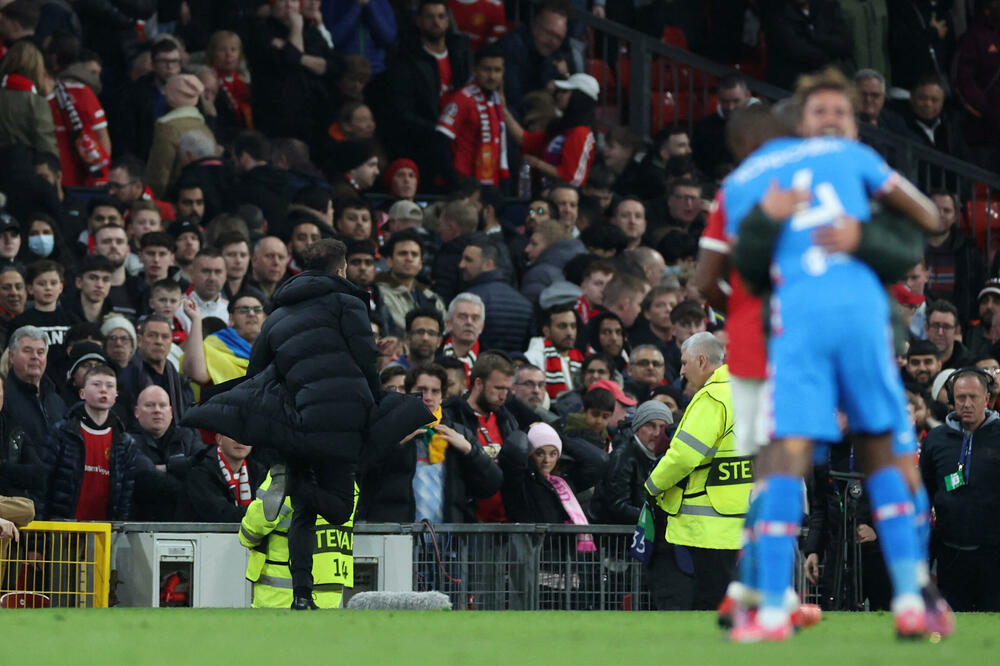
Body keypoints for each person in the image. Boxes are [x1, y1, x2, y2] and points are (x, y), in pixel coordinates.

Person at [722, 70, 944, 641]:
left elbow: (913, 241)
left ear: (853, 121)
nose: (830, 122)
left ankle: (776, 603)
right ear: (798, 121)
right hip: (824, 326)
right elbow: (929, 216)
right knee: (842, 458)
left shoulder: (780, 173)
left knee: (813, 457)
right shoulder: (834, 164)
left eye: (838, 113)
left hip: (832, 327)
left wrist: (857, 238)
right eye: (819, 112)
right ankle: (899, 596)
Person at [644, 333, 749, 610]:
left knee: (709, 601)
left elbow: (683, 456)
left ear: (701, 361)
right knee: (726, 597)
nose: (680, 371)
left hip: (709, 523)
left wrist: (652, 486)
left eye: (684, 362)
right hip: (738, 516)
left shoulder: (712, 398)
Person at [357, 363, 501, 523]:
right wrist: (394, 446)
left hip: (447, 542)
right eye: (422, 389)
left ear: (443, 396)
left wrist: (470, 451)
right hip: (397, 538)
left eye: (435, 391)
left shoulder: (458, 434)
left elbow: (491, 485)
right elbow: (362, 475)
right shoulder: (388, 430)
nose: (428, 397)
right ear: (408, 392)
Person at [920, 368, 1000, 611]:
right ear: (952, 400)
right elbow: (923, 493)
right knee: (953, 627)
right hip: (950, 553)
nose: (966, 404)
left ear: (986, 399)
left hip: (994, 555)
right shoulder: (935, 440)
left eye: (973, 397)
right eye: (960, 397)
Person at [240, 471, 357, 608]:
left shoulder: (287, 479)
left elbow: (249, 534)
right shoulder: (347, 483)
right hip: (330, 599)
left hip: (280, 599)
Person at [39, 364, 137, 520]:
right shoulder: (62, 432)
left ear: (116, 395)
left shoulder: (124, 442)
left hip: (103, 534)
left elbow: (125, 496)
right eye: (96, 384)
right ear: (82, 393)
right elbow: (43, 483)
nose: (103, 390)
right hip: (63, 528)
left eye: (110, 386)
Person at [507, 73, 600, 189]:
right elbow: (524, 139)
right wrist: (501, 107)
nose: (559, 95)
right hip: (545, 198)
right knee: (535, 209)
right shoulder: (562, 129)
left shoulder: (581, 133)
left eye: (565, 92)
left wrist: (536, 163)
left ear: (579, 97)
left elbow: (571, 178)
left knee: (536, 209)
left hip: (563, 203)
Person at [436, 44, 509, 188]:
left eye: (497, 70)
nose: (492, 76)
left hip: (487, 185)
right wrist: (456, 183)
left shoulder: (496, 101)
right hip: (464, 185)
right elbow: (441, 142)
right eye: (487, 69)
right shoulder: (463, 98)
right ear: (474, 70)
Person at [129, 385, 203, 521]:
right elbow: (146, 478)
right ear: (137, 412)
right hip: (141, 524)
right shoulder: (128, 441)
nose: (157, 411)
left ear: (171, 411)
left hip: (185, 523)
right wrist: (184, 471)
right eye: (150, 405)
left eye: (162, 405)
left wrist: (167, 467)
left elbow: (203, 465)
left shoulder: (189, 436)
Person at [592, 400, 672, 525]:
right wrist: (657, 519)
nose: (657, 433)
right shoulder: (622, 457)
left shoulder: (666, 457)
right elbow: (618, 506)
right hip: (615, 538)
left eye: (662, 427)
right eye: (650, 425)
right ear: (637, 428)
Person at [459, 236, 534, 352]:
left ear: (488, 264)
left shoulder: (470, 300)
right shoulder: (524, 303)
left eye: (468, 260)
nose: (461, 265)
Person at [118, 314, 194, 422]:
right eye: (152, 335)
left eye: (165, 337)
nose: (159, 341)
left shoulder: (181, 382)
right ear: (139, 340)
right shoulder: (125, 379)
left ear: (171, 342)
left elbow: (190, 422)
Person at [924, 190, 984, 326]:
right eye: (935, 208)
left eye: (947, 210)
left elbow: (976, 290)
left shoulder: (968, 250)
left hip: (958, 327)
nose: (940, 214)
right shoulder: (912, 247)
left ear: (955, 217)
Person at [176, 433, 265, 522]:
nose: (239, 441)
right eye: (233, 434)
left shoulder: (258, 471)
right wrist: (260, 513)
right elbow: (220, 514)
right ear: (219, 439)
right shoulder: (199, 472)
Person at [375, 229, 446, 335]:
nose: (409, 258)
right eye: (403, 253)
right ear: (389, 260)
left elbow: (445, 330)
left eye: (414, 254)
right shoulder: (378, 293)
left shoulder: (432, 297)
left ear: (420, 263)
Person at [525, 304, 582, 399]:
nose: (569, 332)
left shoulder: (580, 358)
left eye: (573, 326)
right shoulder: (532, 358)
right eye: (562, 326)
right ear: (546, 331)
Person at [440, 293, 484, 378]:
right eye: (462, 317)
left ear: (481, 327)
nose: (469, 322)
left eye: (475, 318)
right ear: (449, 323)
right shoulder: (432, 355)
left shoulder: (491, 362)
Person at [927, 300, 970, 370]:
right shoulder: (914, 360)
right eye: (935, 326)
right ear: (926, 328)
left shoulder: (969, 365)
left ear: (956, 331)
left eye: (946, 327)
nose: (940, 332)